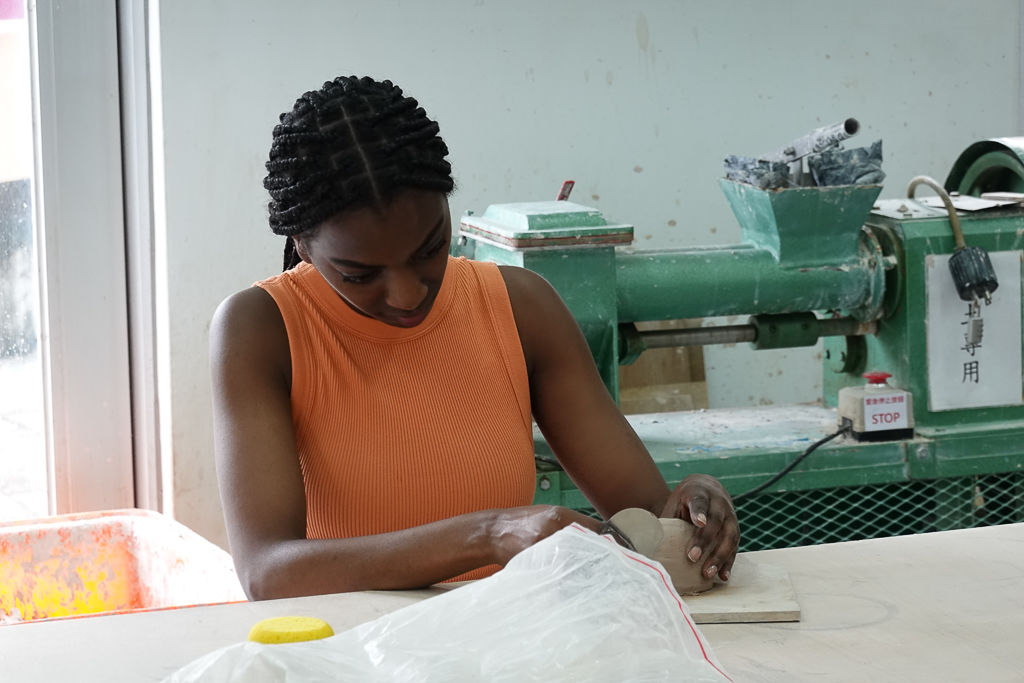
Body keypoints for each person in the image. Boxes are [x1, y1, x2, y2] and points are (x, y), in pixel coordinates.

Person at [211, 75, 739, 600]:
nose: (406, 295)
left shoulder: (521, 309)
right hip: (356, 643)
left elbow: (647, 514)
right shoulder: (261, 330)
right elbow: (267, 572)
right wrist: (487, 535)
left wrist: (694, 508)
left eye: (429, 249)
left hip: (510, 638)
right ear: (302, 245)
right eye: (360, 274)